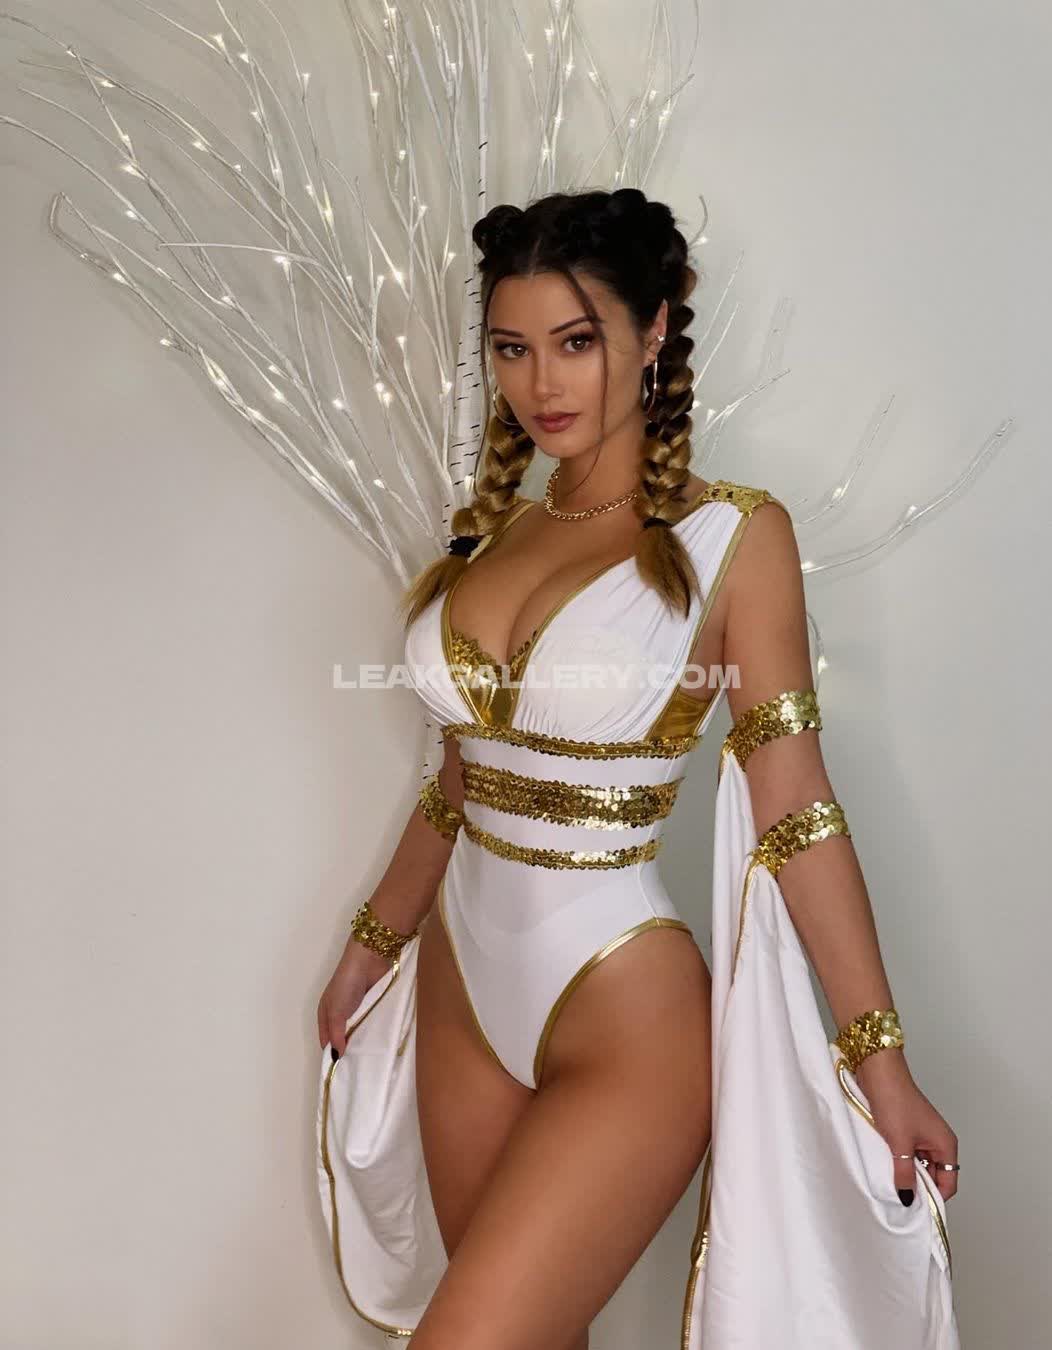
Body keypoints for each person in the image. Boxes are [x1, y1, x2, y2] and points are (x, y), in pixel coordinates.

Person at [316, 188, 961, 1350]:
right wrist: (374, 943)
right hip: (461, 995)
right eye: (511, 349)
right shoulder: (489, 532)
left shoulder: (735, 537)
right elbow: (462, 778)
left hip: (625, 1018)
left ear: (654, 328)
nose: (541, 383)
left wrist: (881, 1060)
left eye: (576, 342)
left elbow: (796, 807)